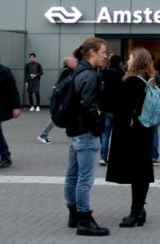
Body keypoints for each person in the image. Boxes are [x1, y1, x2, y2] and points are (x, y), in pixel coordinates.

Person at [106, 47, 157, 228]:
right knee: (141, 172)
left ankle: (135, 213)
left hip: (131, 132)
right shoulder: (148, 80)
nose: (127, 61)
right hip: (145, 131)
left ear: (137, 61)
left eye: (130, 58)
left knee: (137, 173)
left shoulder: (131, 82)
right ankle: (139, 210)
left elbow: (119, 106)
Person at [64, 38, 109, 237]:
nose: (105, 55)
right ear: (91, 52)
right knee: (85, 178)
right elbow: (89, 106)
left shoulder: (78, 71)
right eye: (103, 52)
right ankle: (84, 219)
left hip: (75, 131)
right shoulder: (90, 75)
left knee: (72, 175)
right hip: (86, 133)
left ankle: (73, 214)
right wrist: (98, 126)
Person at [38, 56, 77, 144]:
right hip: (62, 99)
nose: (75, 63)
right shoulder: (66, 72)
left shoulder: (68, 71)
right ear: (68, 63)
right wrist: (62, 101)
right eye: (73, 61)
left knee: (61, 118)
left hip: (63, 99)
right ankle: (43, 134)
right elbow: (62, 86)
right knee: (56, 118)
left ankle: (73, 136)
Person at [99, 54, 125, 165]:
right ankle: (116, 158)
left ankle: (103, 157)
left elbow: (101, 90)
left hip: (107, 108)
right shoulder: (121, 74)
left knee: (105, 134)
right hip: (118, 109)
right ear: (119, 63)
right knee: (118, 134)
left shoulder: (105, 73)